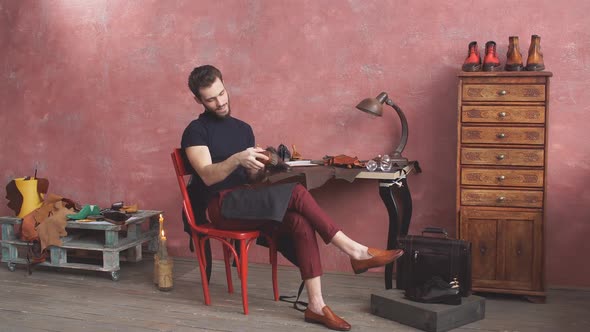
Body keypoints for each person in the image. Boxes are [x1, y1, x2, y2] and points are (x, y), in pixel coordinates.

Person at [181, 65, 404, 331]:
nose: (220, 102)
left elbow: (251, 180)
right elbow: (207, 175)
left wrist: (257, 169)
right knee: (297, 193)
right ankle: (355, 251)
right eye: (211, 99)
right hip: (222, 206)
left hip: (247, 199)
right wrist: (236, 159)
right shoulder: (196, 131)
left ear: (224, 85)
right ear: (199, 100)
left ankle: (316, 306)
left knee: (299, 222)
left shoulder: (243, 129)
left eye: (221, 93)